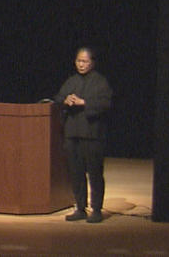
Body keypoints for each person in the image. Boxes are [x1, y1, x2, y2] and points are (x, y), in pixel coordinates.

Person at [53, 47, 113, 223]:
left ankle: (96, 209)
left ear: (92, 62)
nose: (81, 64)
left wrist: (84, 102)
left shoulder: (100, 82)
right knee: (76, 173)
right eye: (79, 61)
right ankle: (80, 208)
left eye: (85, 61)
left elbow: (106, 103)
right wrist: (65, 100)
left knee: (94, 173)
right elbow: (57, 98)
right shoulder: (71, 81)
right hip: (72, 134)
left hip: (92, 135)